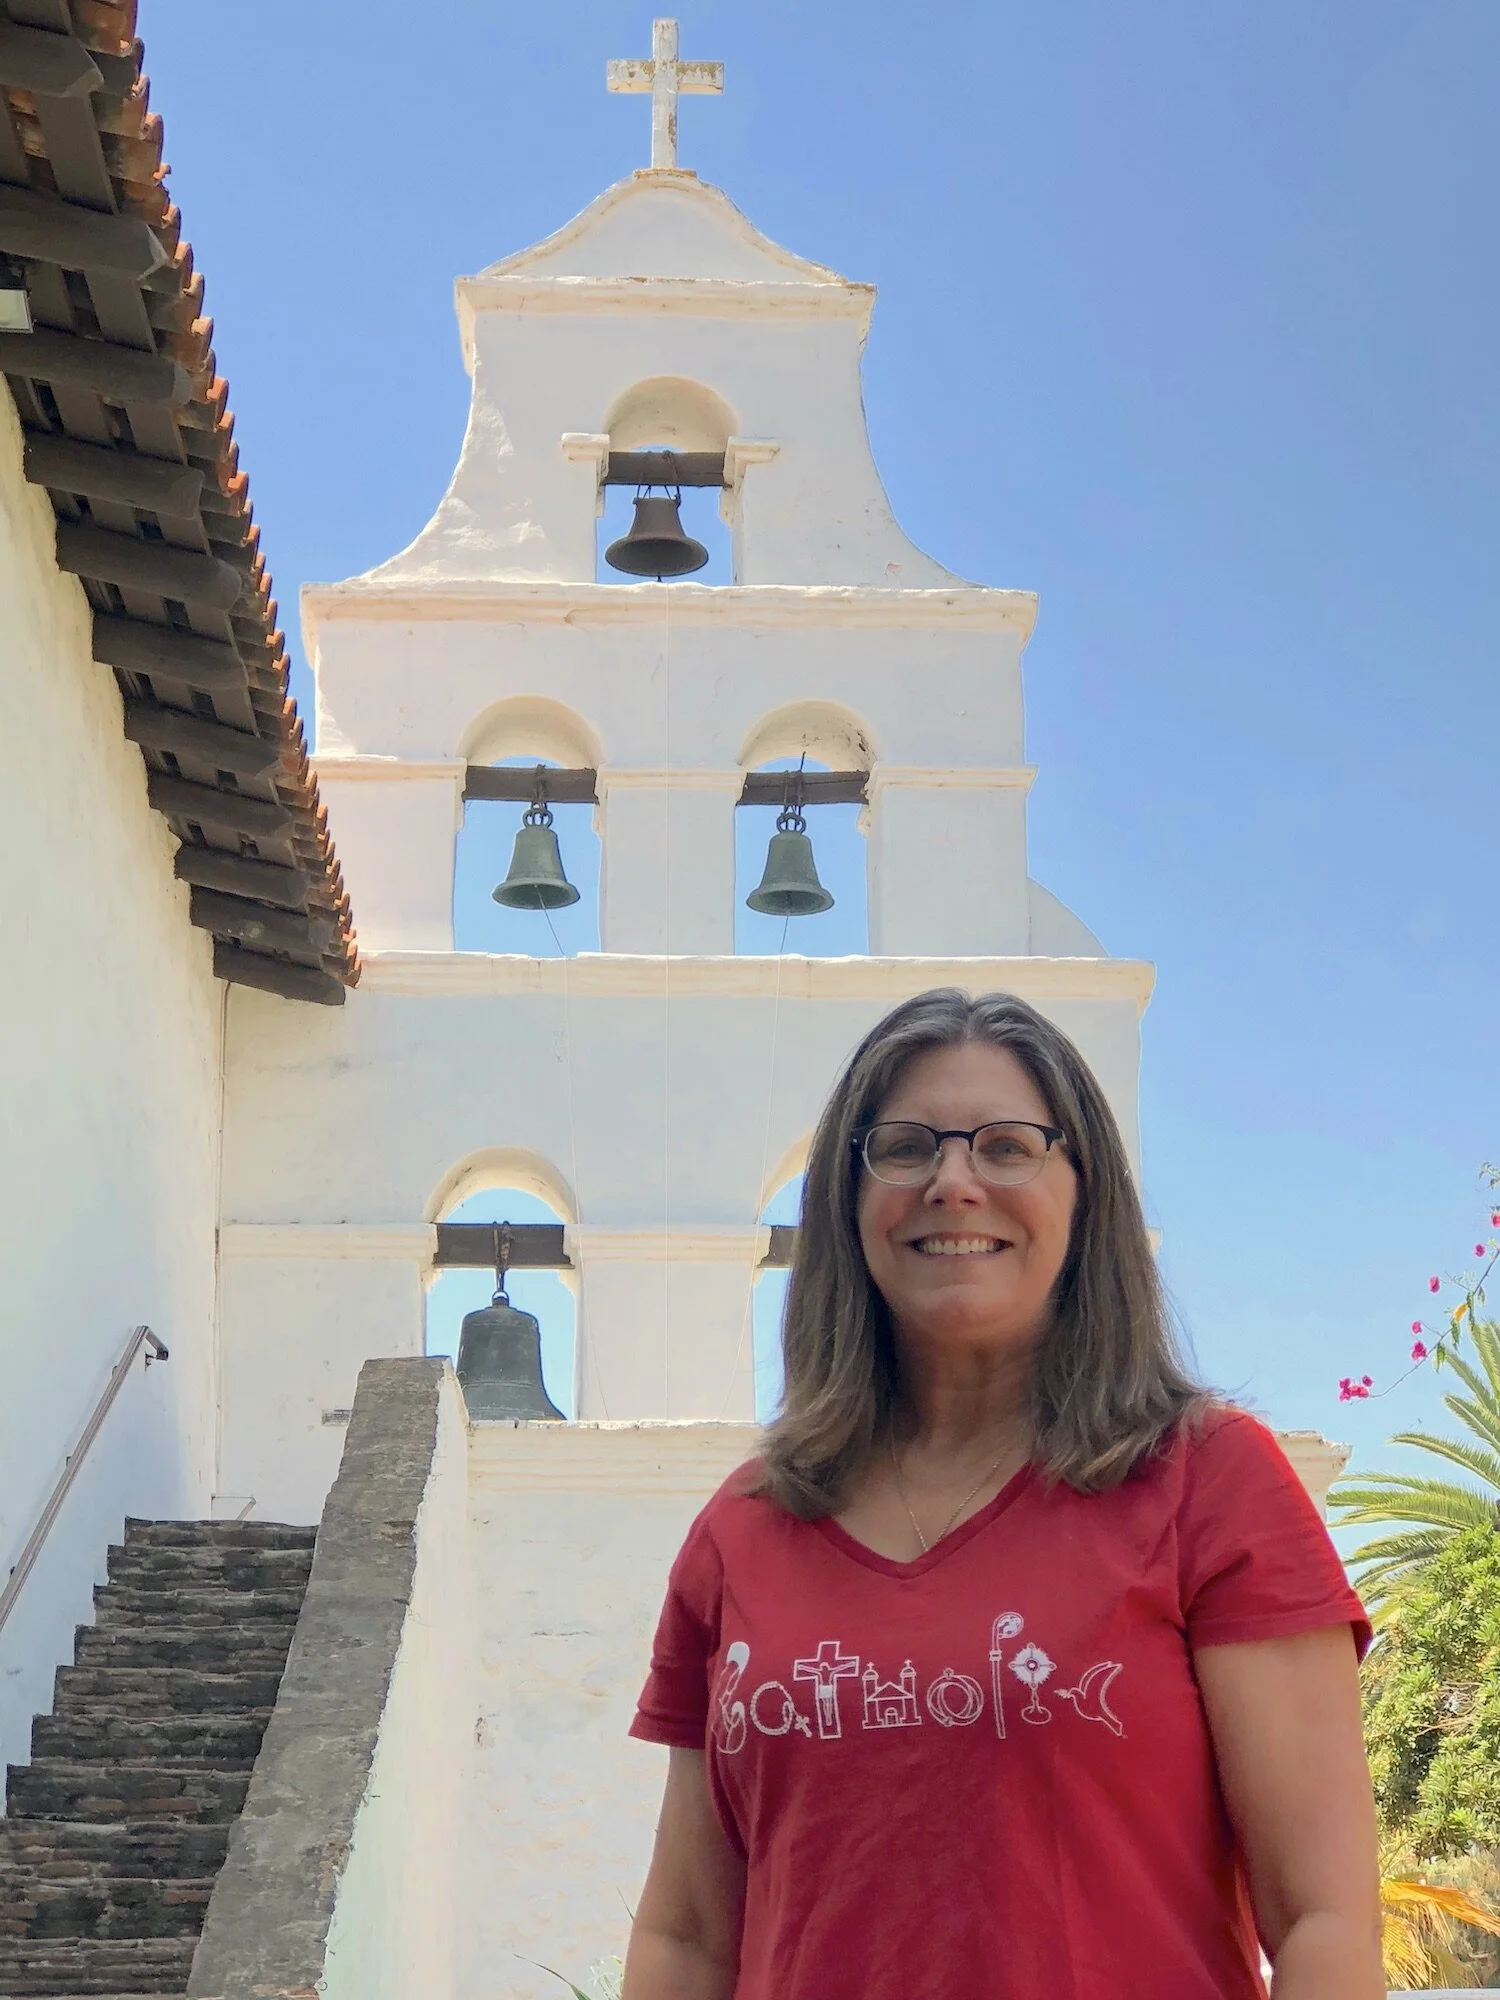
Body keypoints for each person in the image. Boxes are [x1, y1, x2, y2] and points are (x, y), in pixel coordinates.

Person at [623, 989, 1381, 2000]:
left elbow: (1325, 1921)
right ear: (849, 1204)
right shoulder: (745, 1529)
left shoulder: (1210, 1480)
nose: (953, 1180)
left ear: (1083, 1189)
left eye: (1008, 1145)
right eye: (903, 1145)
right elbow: (687, 1937)